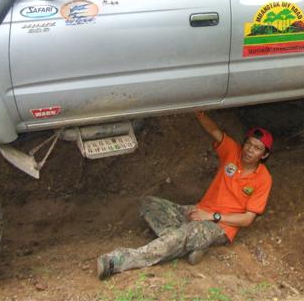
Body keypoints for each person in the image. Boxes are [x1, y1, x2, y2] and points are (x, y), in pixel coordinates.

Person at [96, 111, 273, 279]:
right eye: (248, 144)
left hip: (221, 227)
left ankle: (118, 261)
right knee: (148, 203)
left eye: (257, 148)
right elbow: (214, 131)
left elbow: (247, 220)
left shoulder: (263, 179)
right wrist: (199, 113)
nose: (250, 150)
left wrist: (212, 216)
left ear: (264, 155)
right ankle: (190, 245)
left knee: (184, 234)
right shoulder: (233, 152)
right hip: (198, 211)